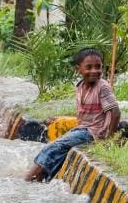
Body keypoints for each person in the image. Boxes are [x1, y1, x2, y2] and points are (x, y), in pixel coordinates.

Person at [25, 48, 121, 182]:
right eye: (89, 67)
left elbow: (115, 112)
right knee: (59, 149)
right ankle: (41, 178)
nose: (94, 71)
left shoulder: (102, 86)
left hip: (93, 132)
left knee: (52, 148)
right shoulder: (80, 86)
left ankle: (28, 179)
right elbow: (85, 113)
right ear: (78, 69)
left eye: (98, 67)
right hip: (82, 129)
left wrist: (107, 139)